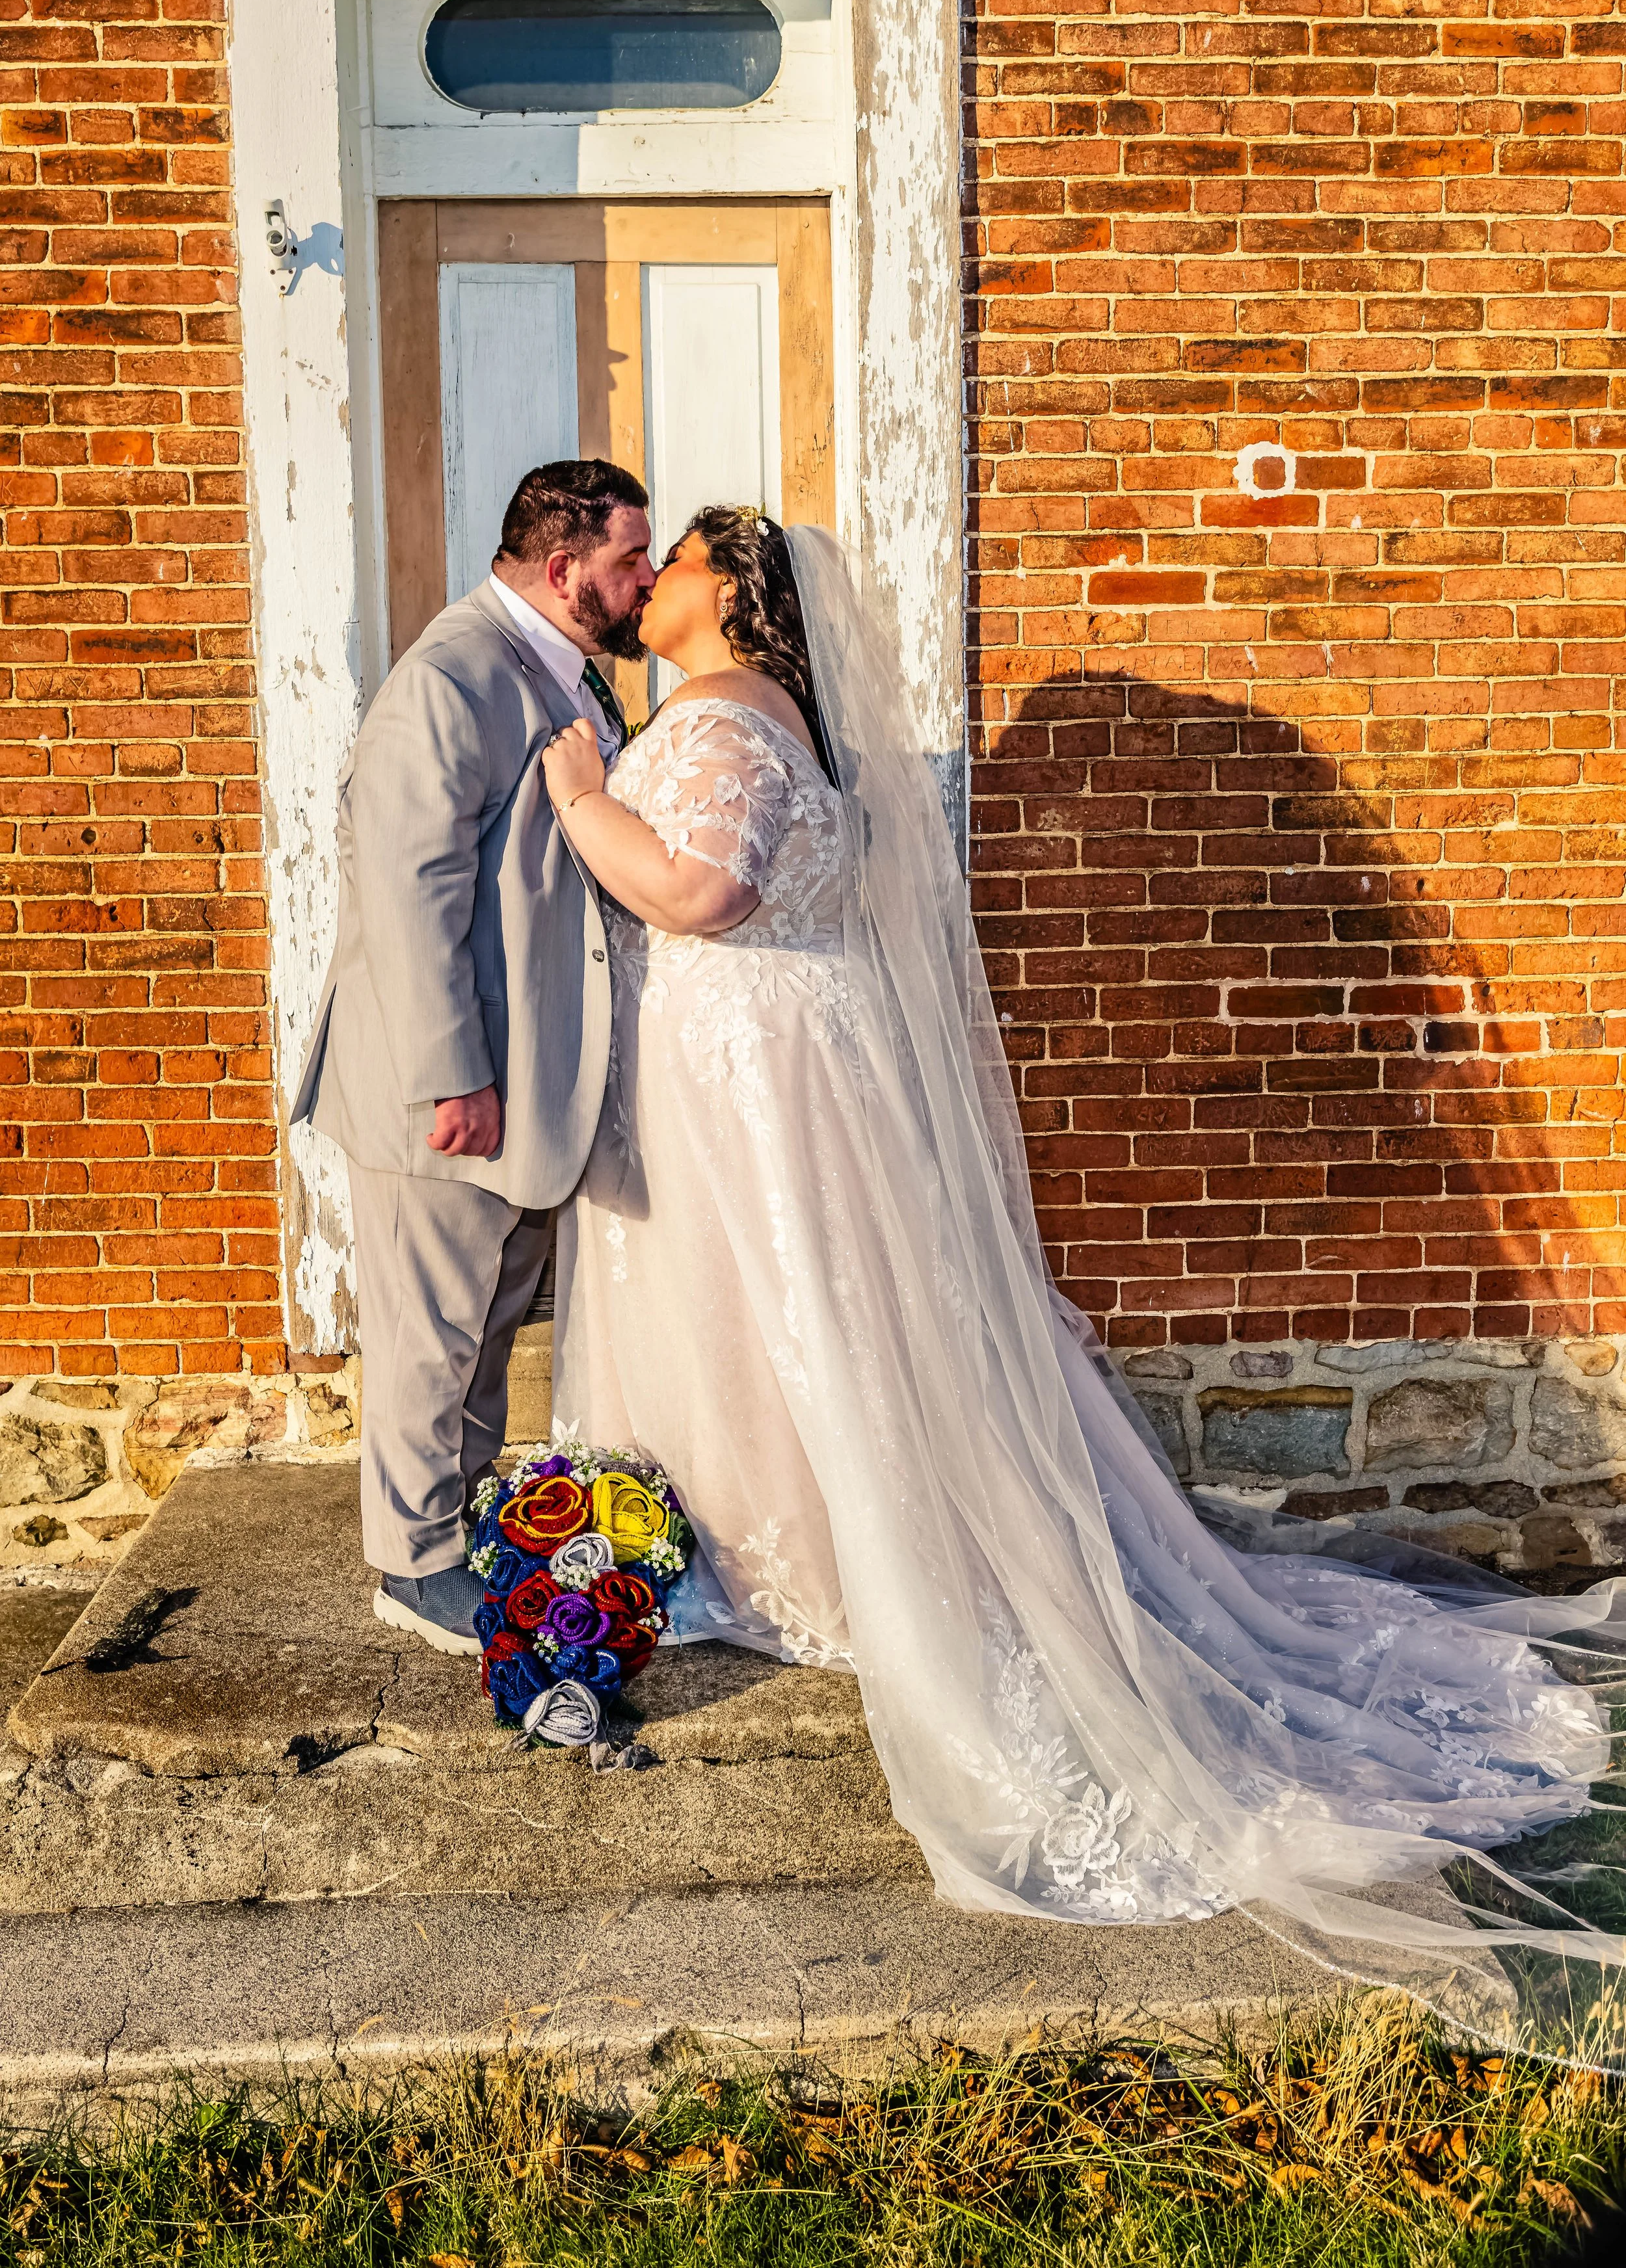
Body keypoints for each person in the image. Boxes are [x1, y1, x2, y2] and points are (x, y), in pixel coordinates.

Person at [543, 507, 1626, 2063]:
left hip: (753, 1075)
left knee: (786, 1324)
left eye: (684, 560)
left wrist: (583, 800)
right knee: (810, 1328)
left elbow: (699, 893)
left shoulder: (715, 716)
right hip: (783, 1064)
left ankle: (810, 1559)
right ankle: (777, 1542)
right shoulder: (773, 716)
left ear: (731, 597)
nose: (655, 582)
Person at [291, 459, 654, 1654]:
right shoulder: (451, 678)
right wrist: (454, 1076)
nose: (643, 583)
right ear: (564, 572)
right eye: (626, 563)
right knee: (428, 1332)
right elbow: (410, 889)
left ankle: (455, 1517)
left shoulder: (558, 673)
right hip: (444, 1089)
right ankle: (410, 1561)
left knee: (487, 1322)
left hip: (517, 1083)